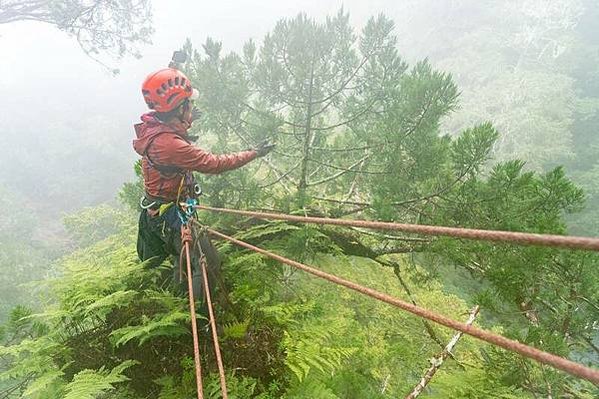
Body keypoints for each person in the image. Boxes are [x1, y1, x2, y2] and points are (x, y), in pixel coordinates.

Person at [133, 66, 274, 294]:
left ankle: (181, 308)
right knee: (206, 266)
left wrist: (186, 121)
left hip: (156, 214)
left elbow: (170, 128)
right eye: (188, 104)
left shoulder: (154, 128)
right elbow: (214, 163)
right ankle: (198, 321)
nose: (192, 108)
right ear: (179, 108)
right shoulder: (171, 145)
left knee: (184, 266)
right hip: (171, 217)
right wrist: (254, 153)